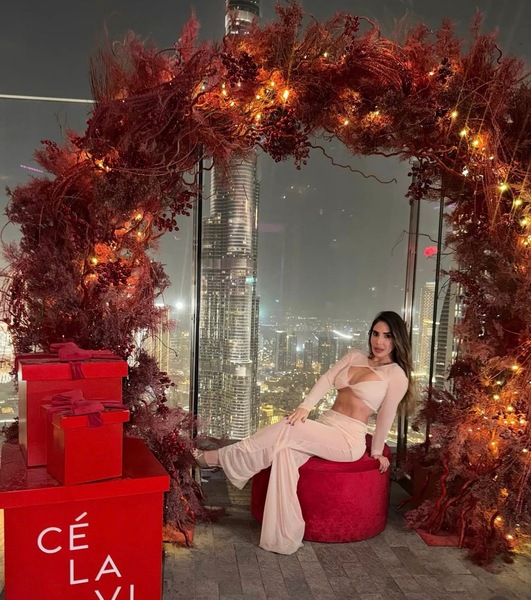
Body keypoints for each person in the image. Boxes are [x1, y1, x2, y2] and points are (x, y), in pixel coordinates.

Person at [193, 310, 414, 555]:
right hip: (326, 424)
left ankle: (215, 458)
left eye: (387, 336)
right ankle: (282, 533)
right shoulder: (355, 355)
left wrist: (377, 451)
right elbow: (327, 379)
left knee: (290, 427)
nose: (379, 341)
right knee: (284, 453)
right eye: (375, 333)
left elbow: (386, 415)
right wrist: (305, 407)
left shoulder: (396, 375)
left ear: (397, 339)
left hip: (348, 439)